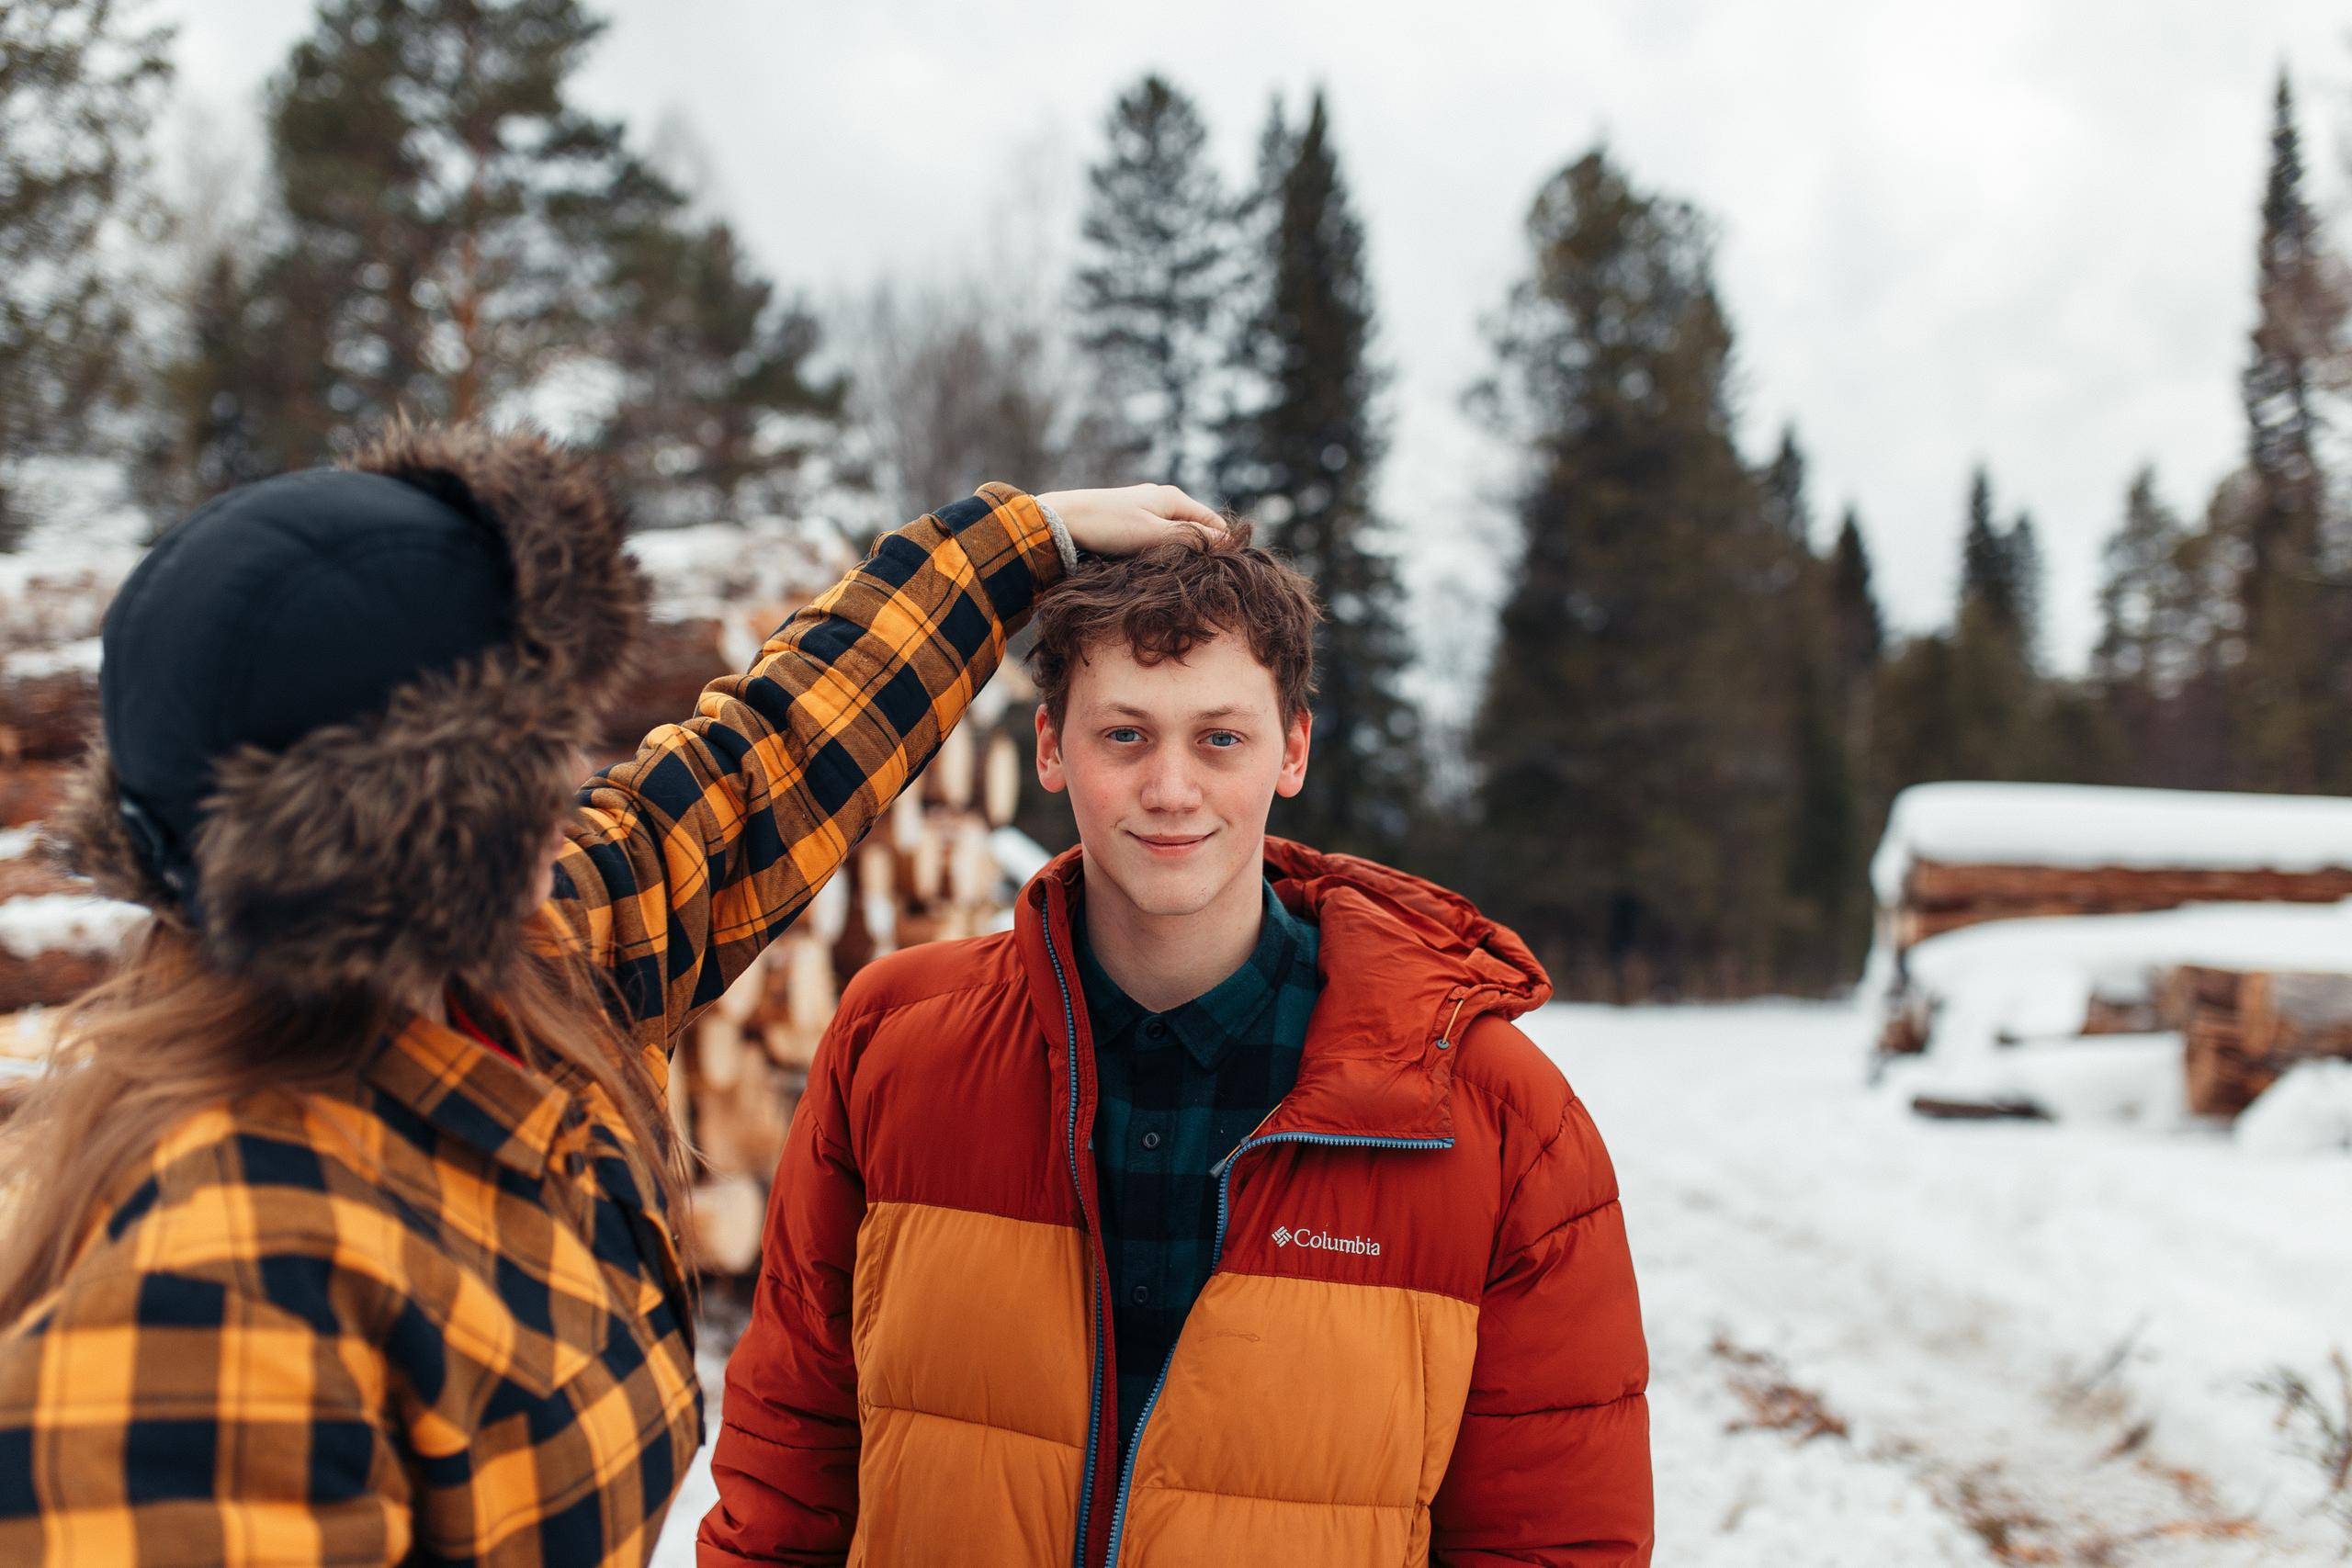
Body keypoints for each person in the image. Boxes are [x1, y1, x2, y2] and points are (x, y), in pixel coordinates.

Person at [0, 420, 1218, 1566]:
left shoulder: (521, 969)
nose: (567, 785)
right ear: (366, 852)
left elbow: (751, 776)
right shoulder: (201, 1295)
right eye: (507, 769)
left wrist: (1012, 549)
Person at [700, 525, 1654, 1567]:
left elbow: (1553, 1541)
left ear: (1291, 749)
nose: (1169, 789)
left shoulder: (1497, 1117)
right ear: (1051, 749)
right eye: (1123, 736)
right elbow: (790, 1457)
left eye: (1219, 738)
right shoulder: (893, 1043)